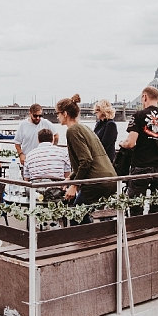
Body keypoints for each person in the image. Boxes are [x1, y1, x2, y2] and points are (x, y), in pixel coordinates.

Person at [56, 94, 117, 224]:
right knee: (85, 215)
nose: (57, 116)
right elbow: (89, 158)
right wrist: (71, 177)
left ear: (65, 113)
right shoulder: (85, 127)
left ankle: (85, 243)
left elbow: (86, 161)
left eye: (58, 113)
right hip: (109, 178)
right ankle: (96, 240)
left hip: (96, 181)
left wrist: (74, 185)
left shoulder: (72, 131)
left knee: (75, 216)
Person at [119, 86, 158, 216]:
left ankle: (137, 232)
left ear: (144, 97)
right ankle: (155, 230)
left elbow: (130, 143)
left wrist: (121, 143)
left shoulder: (138, 116)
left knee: (136, 206)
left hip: (141, 167)